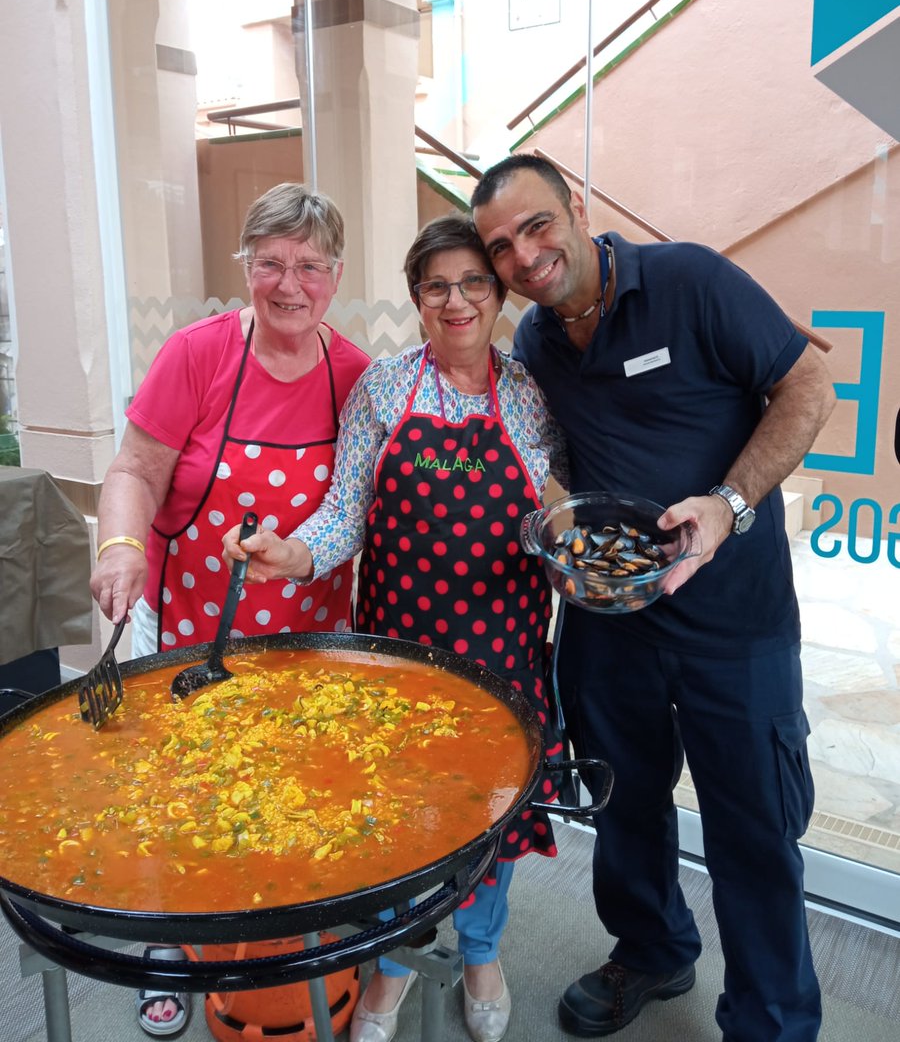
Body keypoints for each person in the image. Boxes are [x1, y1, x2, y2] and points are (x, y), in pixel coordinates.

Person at [470, 154, 836, 1042]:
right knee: (624, 808)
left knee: (753, 832)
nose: (525, 255)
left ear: (579, 208)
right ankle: (653, 947)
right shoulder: (537, 342)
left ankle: (772, 1019)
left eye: (537, 225)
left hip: (732, 625)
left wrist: (728, 505)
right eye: (502, 247)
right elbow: (555, 453)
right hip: (610, 624)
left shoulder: (694, 281)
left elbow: (808, 386)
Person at [222, 213, 569, 1042]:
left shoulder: (530, 392)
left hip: (502, 650)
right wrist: (295, 554)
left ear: (497, 292)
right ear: (416, 297)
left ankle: (481, 952)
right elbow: (346, 511)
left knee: (488, 814)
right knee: (396, 820)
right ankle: (392, 965)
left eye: (473, 283)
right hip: (396, 656)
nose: (456, 301)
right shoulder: (382, 386)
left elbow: (557, 515)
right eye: (436, 285)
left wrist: (575, 559)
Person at [89, 182, 370, 1038]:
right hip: (196, 631)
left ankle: (290, 953)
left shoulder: (353, 372)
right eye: (271, 263)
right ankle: (173, 949)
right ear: (245, 267)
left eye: (310, 266)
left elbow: (357, 508)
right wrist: (122, 548)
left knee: (293, 799)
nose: (290, 284)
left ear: (337, 275)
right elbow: (134, 472)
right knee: (191, 799)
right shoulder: (198, 355)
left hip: (308, 637)